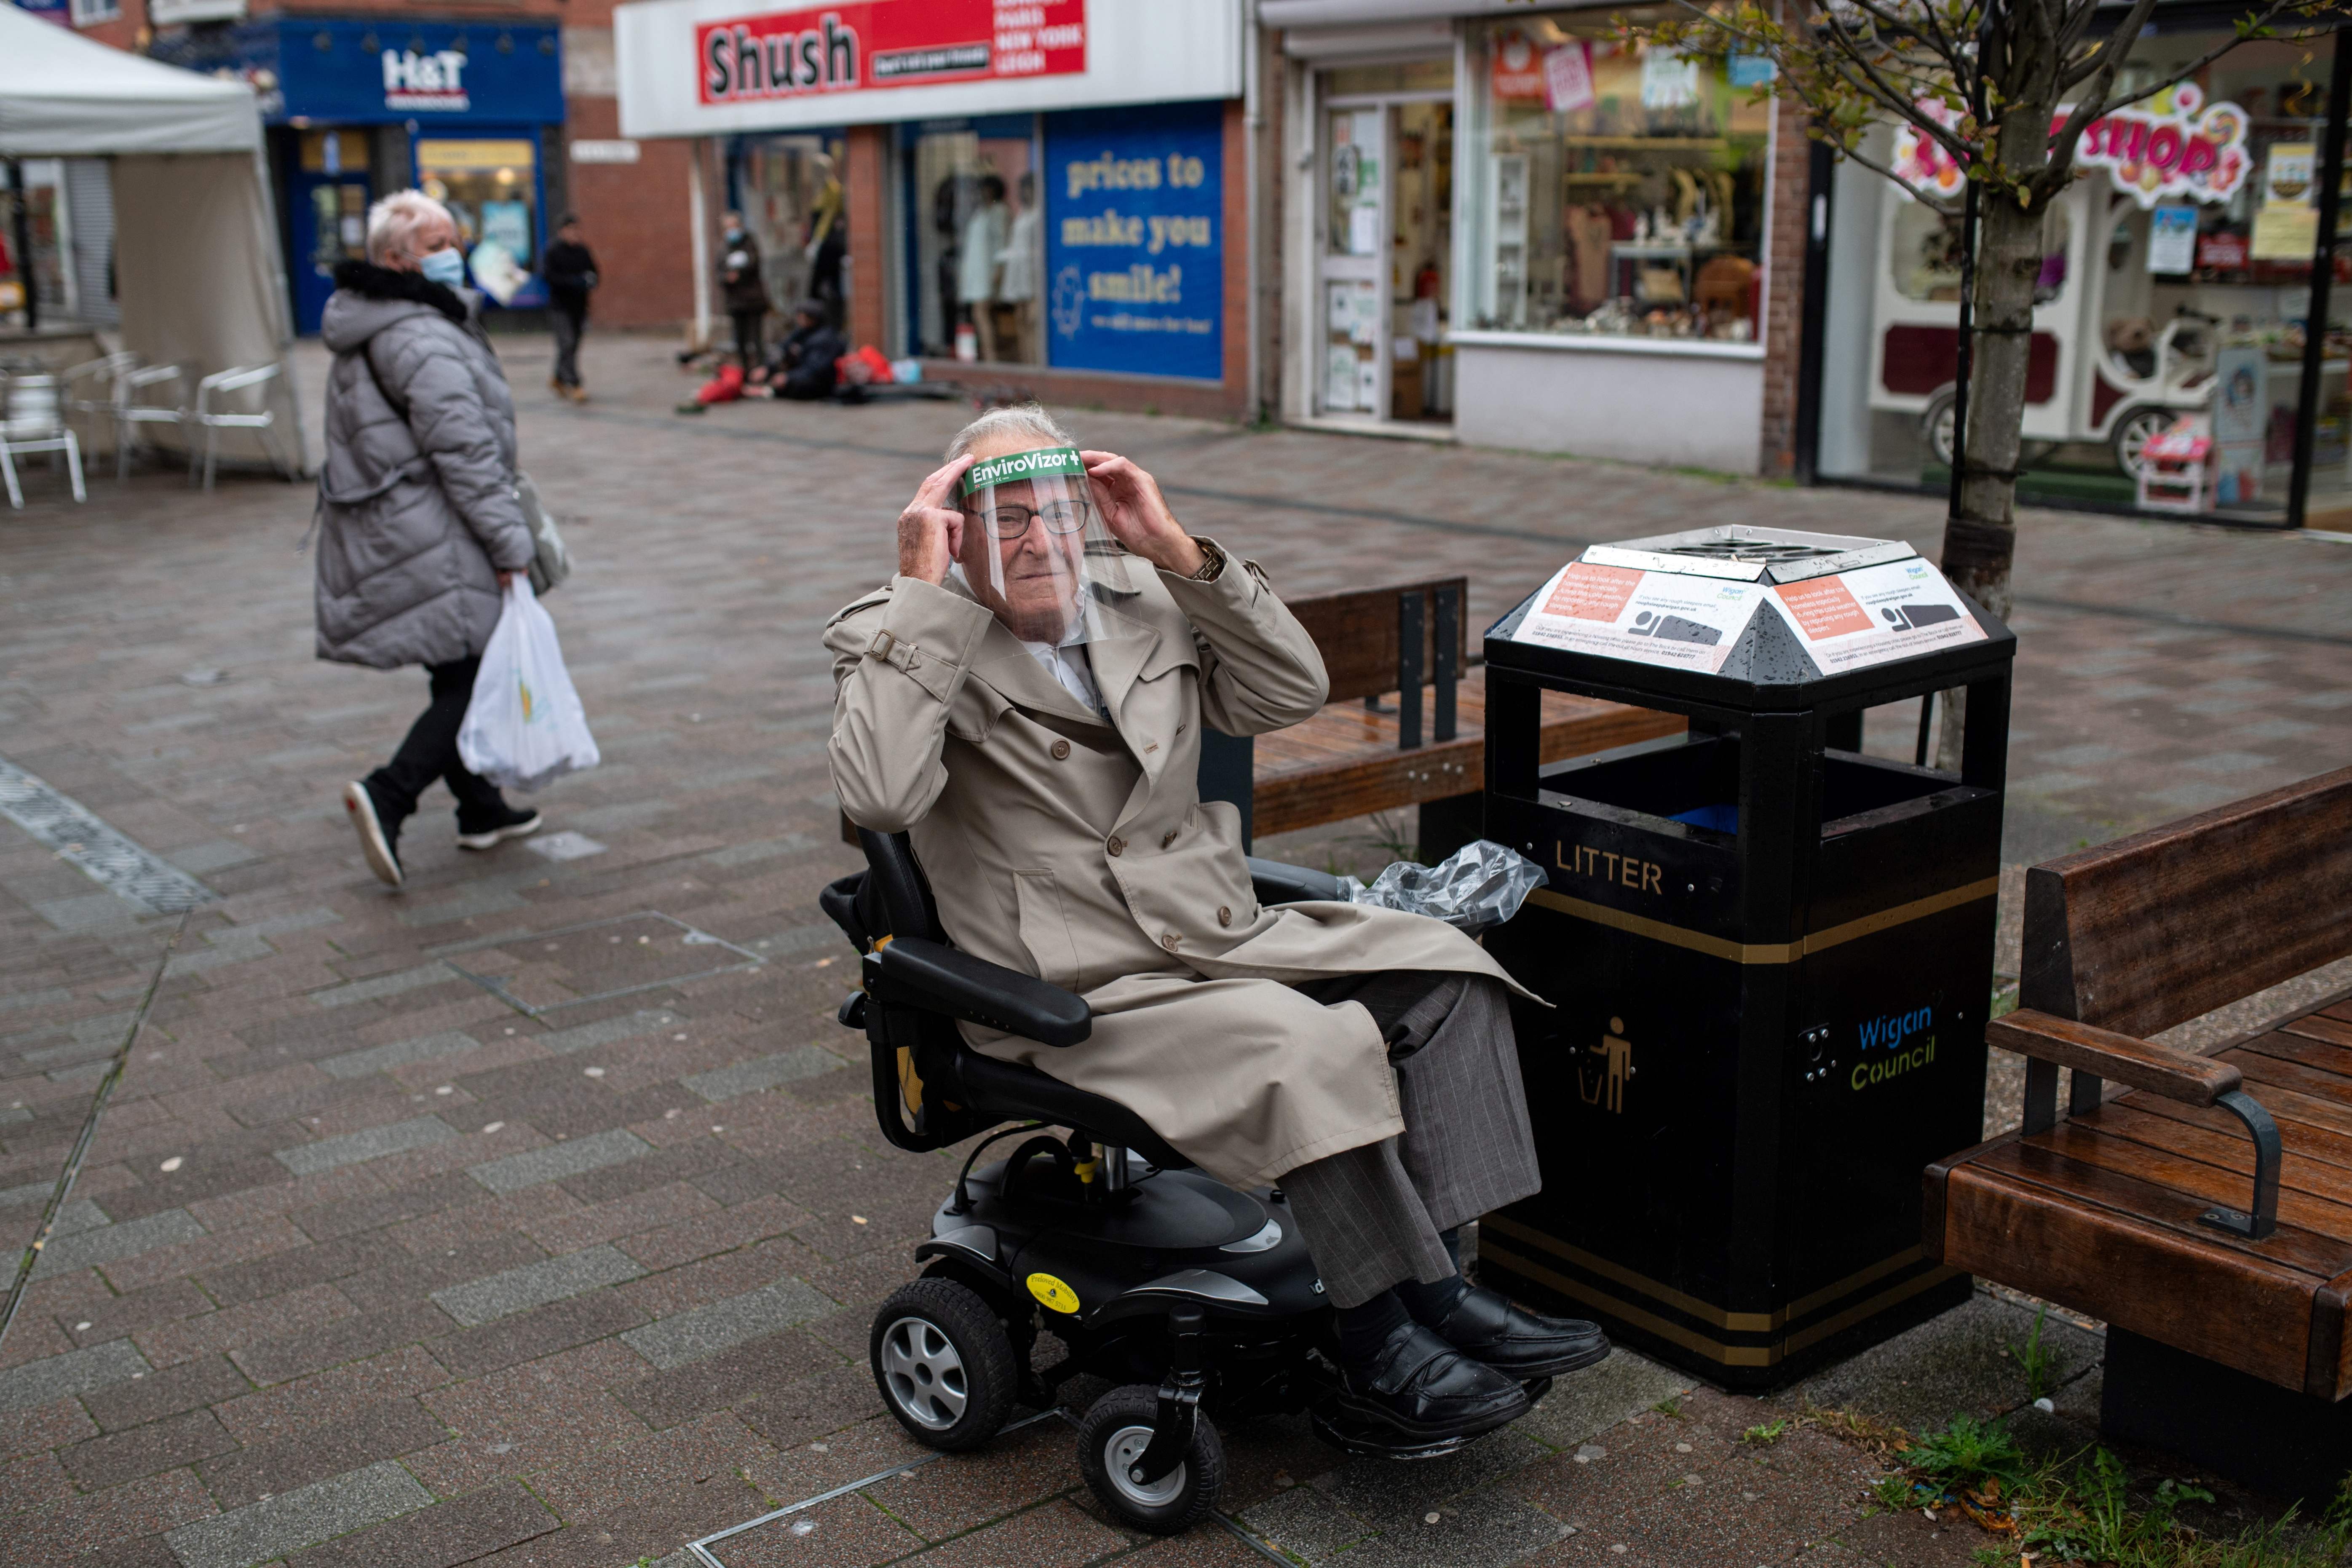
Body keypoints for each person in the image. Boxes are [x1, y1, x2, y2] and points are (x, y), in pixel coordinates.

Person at [826, 406, 1605, 1445]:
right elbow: (876, 795)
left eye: (1052, 509)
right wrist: (923, 588)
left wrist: (1176, 549)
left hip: (1213, 929)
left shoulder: (1141, 594)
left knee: (1448, 971)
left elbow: (1292, 687)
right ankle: (1377, 1341)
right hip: (1077, 984)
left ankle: (1442, 1284)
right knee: (1311, 1041)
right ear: (951, 527)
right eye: (999, 516)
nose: (1032, 536)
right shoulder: (905, 631)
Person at [317, 190, 543, 888]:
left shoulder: (395, 319)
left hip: (405, 523)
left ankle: (480, 809)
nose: (455, 254)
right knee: (477, 673)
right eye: (438, 244)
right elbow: (465, 454)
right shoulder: (418, 332)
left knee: (457, 664)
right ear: (397, 259)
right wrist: (512, 548)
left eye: (455, 238)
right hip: (437, 529)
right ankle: (389, 793)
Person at [541, 213, 598, 403]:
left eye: (577, 230)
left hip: (579, 307)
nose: (574, 234)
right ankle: (575, 384)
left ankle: (558, 377)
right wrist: (572, 282)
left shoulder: (583, 251)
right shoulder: (553, 252)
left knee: (572, 345)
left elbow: (595, 273)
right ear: (562, 232)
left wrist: (589, 281)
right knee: (566, 342)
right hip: (560, 306)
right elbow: (549, 277)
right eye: (570, 230)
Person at [957, 174, 1009, 361]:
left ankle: (991, 356)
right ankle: (988, 354)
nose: (983, 193)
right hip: (976, 271)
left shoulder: (1000, 211)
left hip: (989, 271)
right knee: (980, 313)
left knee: (981, 312)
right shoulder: (980, 212)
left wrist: (999, 271)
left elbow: (1002, 243)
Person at [996, 171, 1043, 363]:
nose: (1025, 194)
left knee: (1034, 323)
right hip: (1019, 274)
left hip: (1034, 275)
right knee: (1021, 321)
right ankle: (1027, 361)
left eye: (1029, 189)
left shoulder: (1040, 214)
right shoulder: (1022, 214)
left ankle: (1037, 361)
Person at [762, 299, 845, 401]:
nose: (799, 320)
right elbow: (783, 347)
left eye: (802, 317)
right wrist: (766, 368)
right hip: (801, 373)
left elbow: (815, 369)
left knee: (798, 385)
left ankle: (769, 391)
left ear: (813, 319)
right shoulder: (803, 332)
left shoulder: (824, 338)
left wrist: (789, 377)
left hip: (820, 382)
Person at [720, 211, 769, 371]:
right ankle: (746, 373)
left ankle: (761, 371)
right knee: (740, 341)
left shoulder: (749, 244)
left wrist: (739, 274)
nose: (731, 231)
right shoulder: (723, 248)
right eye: (728, 227)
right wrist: (727, 278)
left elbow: (754, 264)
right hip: (735, 302)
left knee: (756, 339)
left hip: (753, 301)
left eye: (734, 226)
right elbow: (718, 273)